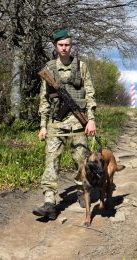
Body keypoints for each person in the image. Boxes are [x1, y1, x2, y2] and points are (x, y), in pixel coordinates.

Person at [33, 29, 97, 219]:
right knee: (51, 161)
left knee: (80, 160)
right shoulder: (49, 68)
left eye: (67, 45)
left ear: (71, 46)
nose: (64, 48)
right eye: (60, 45)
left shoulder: (81, 66)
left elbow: (90, 93)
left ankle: (80, 189)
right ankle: (49, 202)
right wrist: (43, 125)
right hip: (56, 123)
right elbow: (44, 99)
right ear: (55, 46)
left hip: (78, 124)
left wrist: (91, 119)